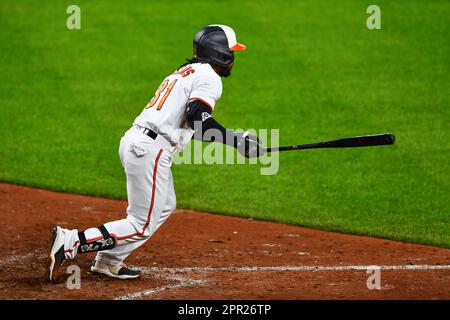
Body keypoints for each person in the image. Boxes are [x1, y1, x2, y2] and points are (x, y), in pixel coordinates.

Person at [48, 24, 264, 281]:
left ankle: (109, 260)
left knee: (165, 206)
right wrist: (237, 141)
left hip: (138, 141)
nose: (233, 59)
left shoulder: (184, 72)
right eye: (231, 52)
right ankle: (71, 241)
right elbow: (198, 119)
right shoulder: (209, 77)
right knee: (140, 224)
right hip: (150, 149)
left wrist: (236, 141)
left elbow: (193, 124)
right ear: (221, 54)